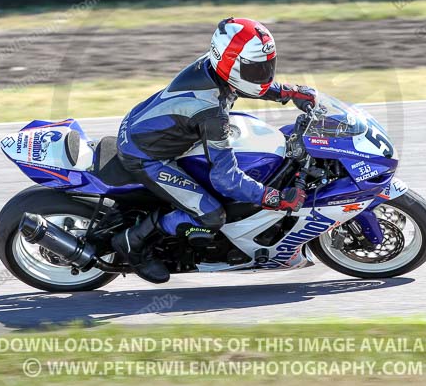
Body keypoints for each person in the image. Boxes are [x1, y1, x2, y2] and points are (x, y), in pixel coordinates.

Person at [111, 17, 317, 283]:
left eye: (267, 66)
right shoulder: (210, 112)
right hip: (146, 156)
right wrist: (273, 198)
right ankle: (133, 242)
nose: (264, 75)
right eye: (257, 69)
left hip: (156, 126)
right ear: (229, 63)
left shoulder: (214, 67)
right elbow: (227, 179)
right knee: (211, 214)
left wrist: (288, 93)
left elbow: (245, 83)